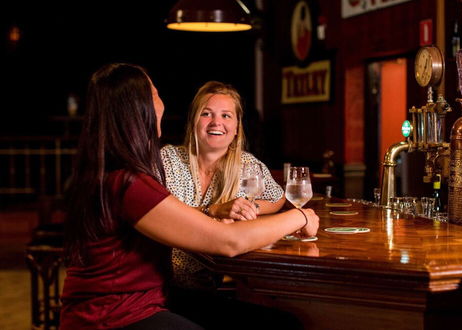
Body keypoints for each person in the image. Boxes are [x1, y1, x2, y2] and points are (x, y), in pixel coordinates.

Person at [60, 63, 319, 330]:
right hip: (114, 317)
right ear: (140, 109)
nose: (162, 102)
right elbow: (229, 242)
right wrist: (301, 215)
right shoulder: (130, 183)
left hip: (147, 302)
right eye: (155, 93)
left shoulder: (113, 173)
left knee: (280, 322)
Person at [160, 81, 285, 291]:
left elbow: (277, 198)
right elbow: (159, 216)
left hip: (210, 284)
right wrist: (213, 210)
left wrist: (248, 207)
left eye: (226, 115)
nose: (216, 122)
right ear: (193, 122)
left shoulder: (247, 163)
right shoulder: (167, 159)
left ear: (236, 128)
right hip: (161, 283)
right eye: (206, 114)